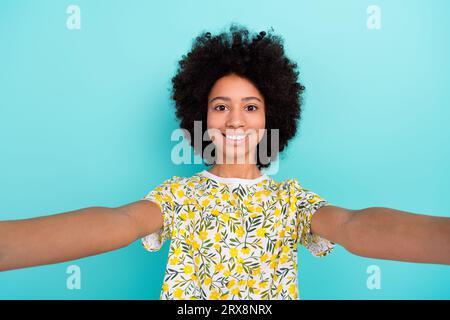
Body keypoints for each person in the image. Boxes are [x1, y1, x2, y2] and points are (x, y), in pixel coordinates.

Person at [0, 25, 449, 300]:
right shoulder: (178, 197)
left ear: (274, 116)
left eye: (251, 107)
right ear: (200, 116)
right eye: (220, 107)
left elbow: (352, 225)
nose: (235, 119)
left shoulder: (292, 201)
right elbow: (118, 221)